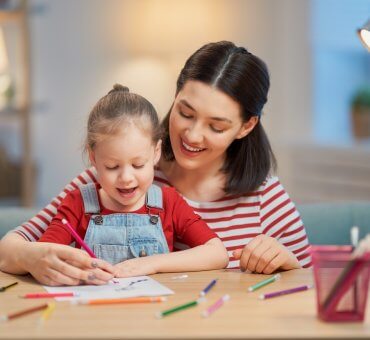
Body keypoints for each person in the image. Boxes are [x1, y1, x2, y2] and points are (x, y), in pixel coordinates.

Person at [0, 41, 311, 286]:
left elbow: (307, 288)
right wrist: (32, 258)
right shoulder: (113, 178)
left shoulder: (265, 198)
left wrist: (287, 262)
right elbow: (11, 248)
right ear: (174, 96)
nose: (192, 134)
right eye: (186, 113)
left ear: (246, 126)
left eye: (216, 126)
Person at [37, 84, 228, 279]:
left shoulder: (168, 202)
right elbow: (42, 256)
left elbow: (218, 253)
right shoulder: (78, 203)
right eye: (112, 166)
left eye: (138, 165)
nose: (126, 178)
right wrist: (73, 264)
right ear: (93, 158)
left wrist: (151, 264)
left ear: (155, 153)